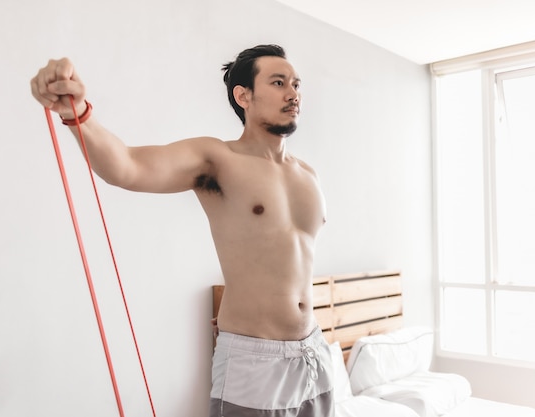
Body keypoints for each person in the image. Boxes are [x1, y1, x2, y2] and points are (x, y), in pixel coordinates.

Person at [30, 44, 333, 417]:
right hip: (254, 360)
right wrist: (78, 114)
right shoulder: (218, 159)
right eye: (278, 82)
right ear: (244, 96)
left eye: (296, 84)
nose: (293, 93)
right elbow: (127, 167)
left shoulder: (308, 174)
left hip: (313, 352)